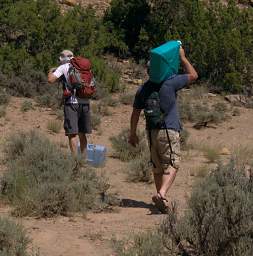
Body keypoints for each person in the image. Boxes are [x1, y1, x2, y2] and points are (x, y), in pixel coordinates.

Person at [129, 47, 198, 213]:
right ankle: (162, 193)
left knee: (157, 166)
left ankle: (161, 199)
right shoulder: (171, 82)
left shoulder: (143, 89)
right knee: (173, 163)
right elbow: (194, 75)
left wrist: (132, 134)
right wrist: (182, 58)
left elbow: (135, 113)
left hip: (151, 132)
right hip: (169, 130)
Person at [48, 50, 92, 158]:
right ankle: (83, 160)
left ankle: (75, 162)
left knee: (72, 134)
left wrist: (50, 70)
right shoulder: (83, 67)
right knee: (82, 134)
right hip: (85, 102)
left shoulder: (63, 67)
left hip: (72, 104)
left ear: (62, 58)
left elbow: (50, 80)